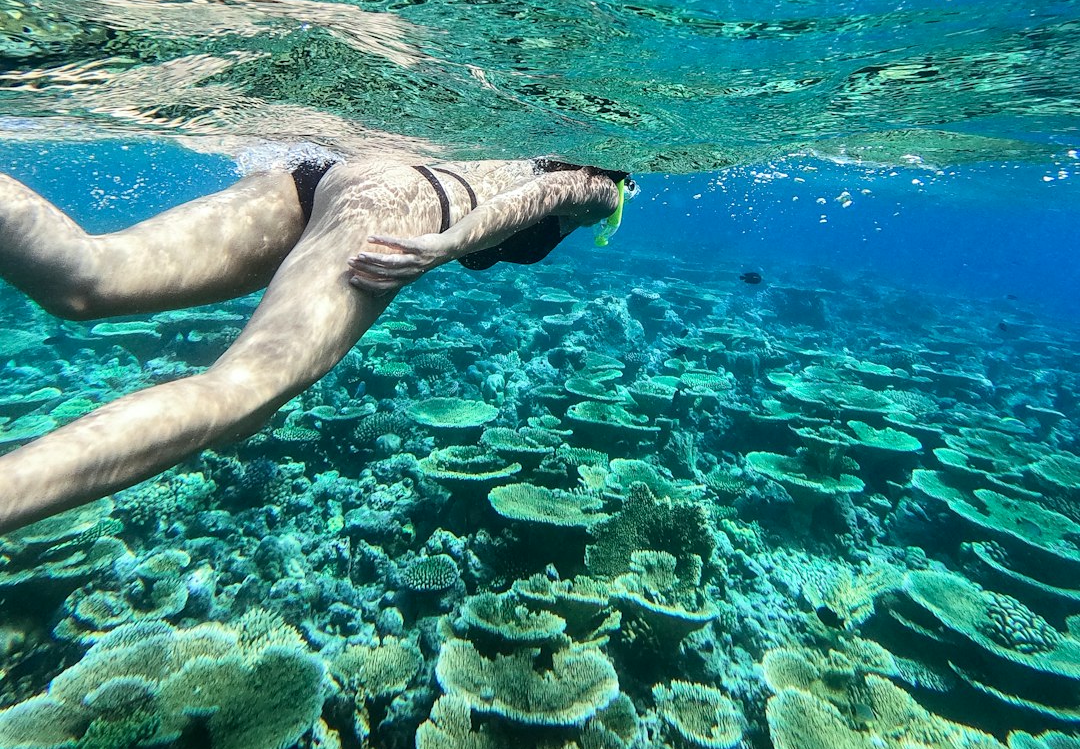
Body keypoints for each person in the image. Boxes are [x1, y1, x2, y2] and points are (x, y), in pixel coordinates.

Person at [0, 154, 631, 535]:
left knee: (85, 278)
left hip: (325, 176)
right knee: (242, 394)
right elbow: (552, 193)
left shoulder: (513, 145)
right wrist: (452, 242)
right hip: (399, 203)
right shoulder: (605, 180)